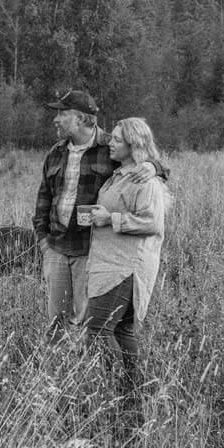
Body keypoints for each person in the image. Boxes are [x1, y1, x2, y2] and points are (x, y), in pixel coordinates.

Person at [32, 90, 164, 342]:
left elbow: (151, 163)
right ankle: (58, 373)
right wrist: (43, 241)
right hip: (57, 249)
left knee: (87, 323)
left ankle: (85, 373)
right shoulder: (56, 152)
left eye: (62, 113)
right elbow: (43, 198)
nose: (56, 119)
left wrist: (153, 167)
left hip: (91, 251)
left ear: (81, 119)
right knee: (56, 321)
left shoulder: (112, 147)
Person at [84, 117, 171, 403]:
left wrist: (110, 219)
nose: (111, 142)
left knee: (96, 331)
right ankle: (133, 396)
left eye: (118, 140)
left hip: (126, 267)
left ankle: (118, 390)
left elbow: (152, 223)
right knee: (123, 330)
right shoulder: (120, 173)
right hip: (109, 262)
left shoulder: (145, 180)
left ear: (134, 145)